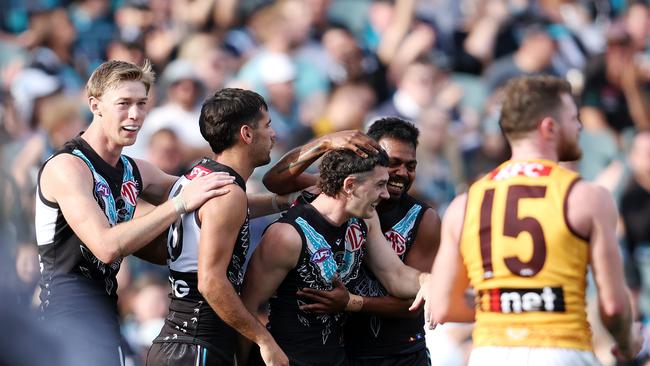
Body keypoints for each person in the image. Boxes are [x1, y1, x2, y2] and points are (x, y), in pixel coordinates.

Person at [417, 75, 643, 365]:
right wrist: (627, 342)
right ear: (549, 127)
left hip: (489, 355)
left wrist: (503, 308)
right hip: (562, 351)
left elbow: (444, 305)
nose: (579, 127)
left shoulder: (465, 203)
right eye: (573, 118)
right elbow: (612, 305)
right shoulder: (586, 196)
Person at [35, 60, 233, 366]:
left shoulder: (133, 169)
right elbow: (106, 247)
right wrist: (179, 204)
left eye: (142, 104)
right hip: (65, 321)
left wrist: (278, 202)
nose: (135, 114)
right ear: (95, 105)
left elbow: (213, 195)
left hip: (106, 318)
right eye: (124, 104)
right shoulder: (67, 167)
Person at [263, 118, 441, 365]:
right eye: (392, 163)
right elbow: (274, 181)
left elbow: (409, 295)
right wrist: (323, 143)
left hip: (398, 353)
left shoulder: (421, 218)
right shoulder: (337, 195)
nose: (401, 173)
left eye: (410, 166)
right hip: (343, 348)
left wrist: (351, 303)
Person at [146, 88, 290, 366]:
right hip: (198, 345)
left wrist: (281, 202)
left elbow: (230, 211)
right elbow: (211, 283)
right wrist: (264, 340)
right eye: (267, 126)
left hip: (177, 342)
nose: (273, 134)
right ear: (247, 134)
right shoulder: (228, 194)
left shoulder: (199, 176)